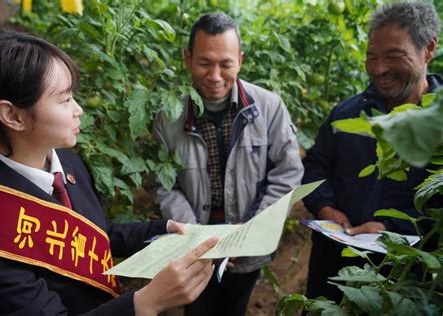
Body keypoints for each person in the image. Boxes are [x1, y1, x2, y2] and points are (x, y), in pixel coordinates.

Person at [0, 28, 219, 316]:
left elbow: (96, 233)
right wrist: (145, 303)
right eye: (64, 100)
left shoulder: (67, 161)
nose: (79, 110)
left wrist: (160, 230)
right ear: (13, 116)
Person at [153, 13, 304, 316]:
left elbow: (288, 172)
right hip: (194, 247)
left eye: (226, 64)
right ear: (187, 58)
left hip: (248, 244)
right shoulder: (167, 117)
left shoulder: (269, 108)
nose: (215, 75)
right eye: (205, 63)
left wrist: (250, 232)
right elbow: (162, 184)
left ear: (240, 60)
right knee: (197, 307)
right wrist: (195, 235)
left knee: (235, 305)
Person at [302, 2, 442, 302]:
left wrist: (392, 228)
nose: (378, 69)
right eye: (371, 57)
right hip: (334, 269)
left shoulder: (438, 124)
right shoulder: (347, 115)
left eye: (393, 56)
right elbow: (315, 167)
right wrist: (326, 208)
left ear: (428, 48)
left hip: (407, 281)